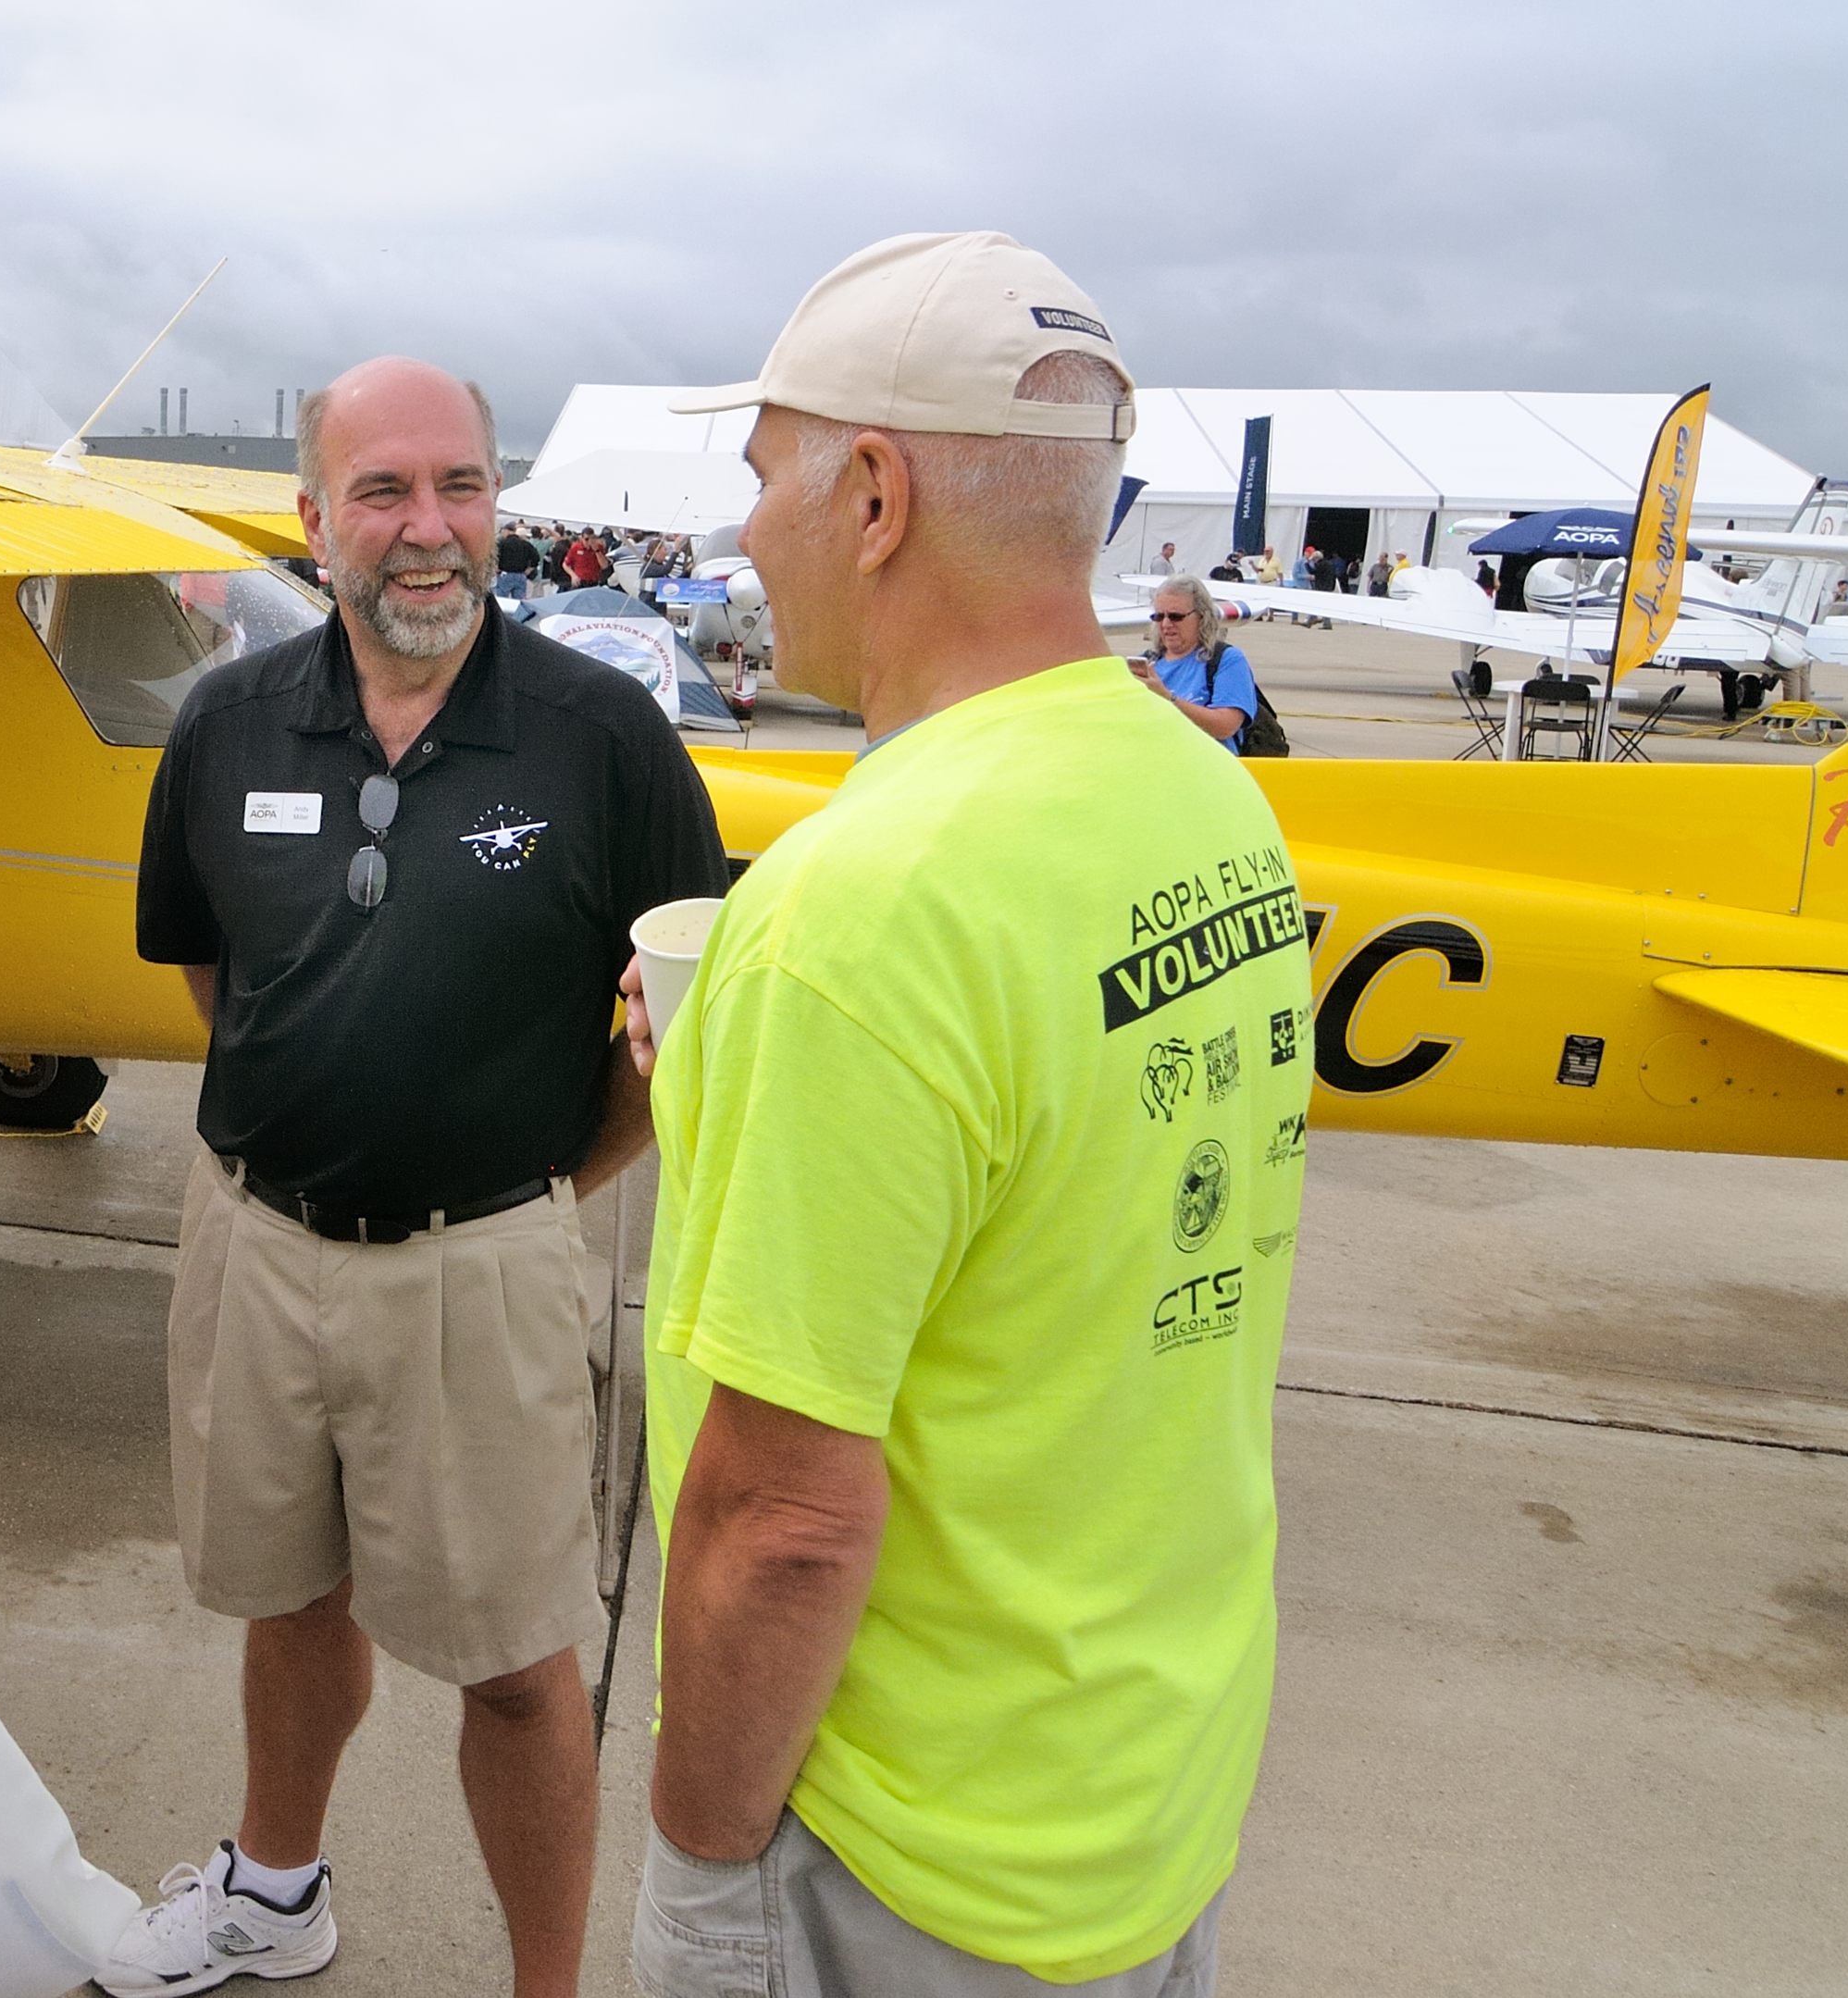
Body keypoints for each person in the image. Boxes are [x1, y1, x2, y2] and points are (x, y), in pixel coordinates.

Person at [621, 232, 1308, 1995]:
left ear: (870, 494)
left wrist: (706, 1857)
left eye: (763, 469)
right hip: (1140, 1796)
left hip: (902, 1851)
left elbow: (783, 1516)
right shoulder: (1206, 794)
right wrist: (725, 1085)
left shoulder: (860, 907)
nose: (744, 526)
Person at [115, 355, 728, 1998]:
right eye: (381, 490)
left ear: (499, 502)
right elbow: (215, 981)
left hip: (486, 1263)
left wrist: (528, 1186)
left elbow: (678, 1020)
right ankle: (271, 1888)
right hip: (256, 1241)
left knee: (520, 1667)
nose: (428, 527)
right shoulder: (227, 721)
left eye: (458, 484)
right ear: (313, 519)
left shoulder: (602, 740)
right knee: (286, 1595)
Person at [1135, 575, 1259, 751]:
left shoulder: (1227, 660)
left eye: (1176, 616)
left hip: (1209, 772)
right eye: (1159, 616)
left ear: (1202, 616)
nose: (1166, 624)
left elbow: (1225, 726)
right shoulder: (1147, 663)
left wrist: (1167, 698)